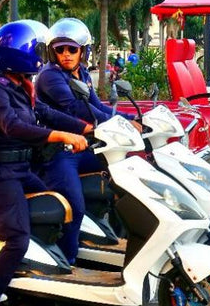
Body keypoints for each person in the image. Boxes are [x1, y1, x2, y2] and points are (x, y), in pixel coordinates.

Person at [0, 20, 91, 306]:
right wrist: (62, 136)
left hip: (21, 170)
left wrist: (86, 127)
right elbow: (13, 126)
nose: (41, 55)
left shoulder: (22, 84)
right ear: (18, 54)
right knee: (18, 239)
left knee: (59, 211)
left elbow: (44, 113)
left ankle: (39, 300)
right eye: (35, 50)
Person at [35, 17, 141, 265]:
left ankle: (107, 241)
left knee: (126, 181)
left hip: (82, 149)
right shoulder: (50, 76)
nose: (66, 54)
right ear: (52, 52)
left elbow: (97, 106)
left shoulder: (81, 73)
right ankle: (66, 262)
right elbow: (76, 110)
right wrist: (121, 123)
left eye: (72, 49)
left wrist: (136, 119)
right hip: (59, 153)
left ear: (83, 51)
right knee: (74, 207)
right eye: (60, 49)